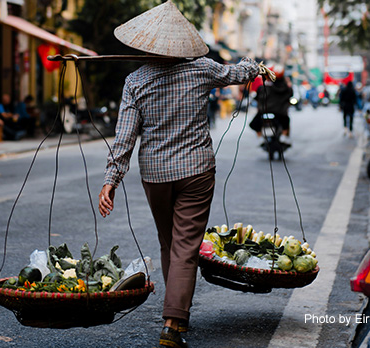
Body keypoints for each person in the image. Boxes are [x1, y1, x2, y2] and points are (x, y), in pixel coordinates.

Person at [97, 2, 267, 347]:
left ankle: (175, 310)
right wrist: (253, 65)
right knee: (185, 245)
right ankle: (174, 322)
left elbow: (125, 136)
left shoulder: (135, 81)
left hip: (155, 174)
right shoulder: (201, 69)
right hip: (196, 171)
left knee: (169, 242)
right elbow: (237, 73)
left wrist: (110, 180)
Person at [249, 65, 293, 144]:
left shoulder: (263, 88)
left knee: (254, 124)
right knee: (285, 121)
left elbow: (257, 97)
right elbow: (290, 95)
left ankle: (260, 137)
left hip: (264, 111)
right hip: (280, 112)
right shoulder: (286, 88)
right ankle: (284, 135)